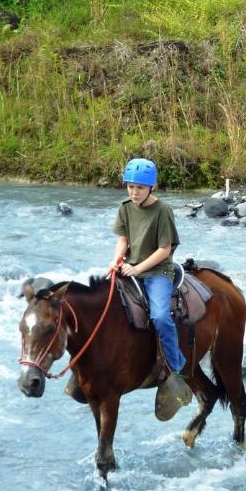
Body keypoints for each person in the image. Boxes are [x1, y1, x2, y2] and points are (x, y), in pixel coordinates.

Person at [110, 157, 192, 414]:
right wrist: (116, 260)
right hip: (131, 267)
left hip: (157, 271)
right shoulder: (125, 208)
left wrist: (138, 268)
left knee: (159, 316)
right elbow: (123, 239)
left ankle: (176, 367)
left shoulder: (163, 211)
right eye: (131, 187)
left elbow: (164, 250)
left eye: (140, 188)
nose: (134, 192)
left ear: (152, 187)